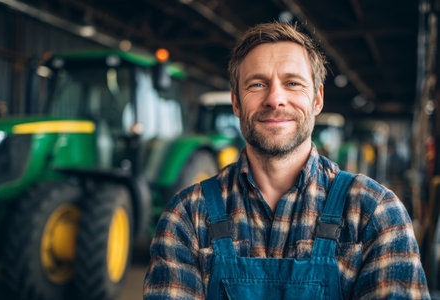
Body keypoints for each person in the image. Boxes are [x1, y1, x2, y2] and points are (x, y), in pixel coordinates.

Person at [143, 22, 429, 299]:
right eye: (257, 84)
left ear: (317, 100)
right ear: (236, 102)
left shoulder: (373, 213)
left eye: (292, 83)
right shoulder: (188, 216)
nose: (275, 98)